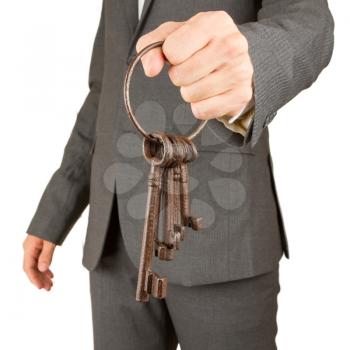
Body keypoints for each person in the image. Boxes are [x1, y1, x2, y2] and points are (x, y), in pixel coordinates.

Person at [22, 0, 334, 349]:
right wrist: (54, 212)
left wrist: (253, 59)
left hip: (221, 233)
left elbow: (310, 22)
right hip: (113, 238)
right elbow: (104, 90)